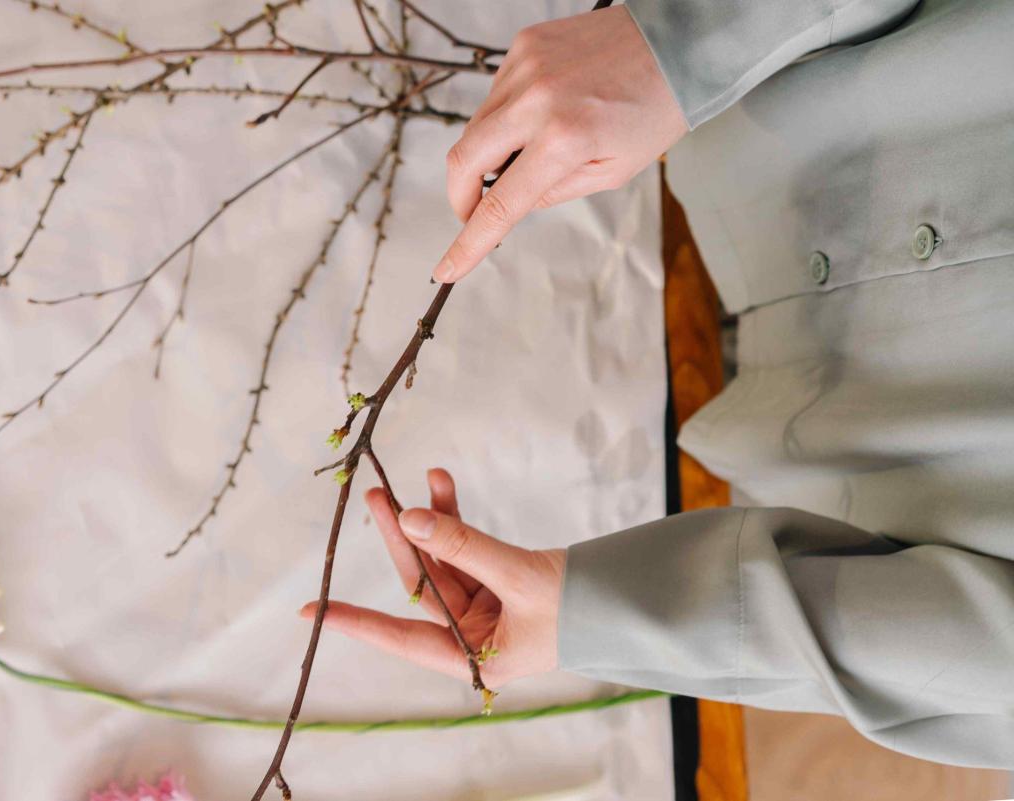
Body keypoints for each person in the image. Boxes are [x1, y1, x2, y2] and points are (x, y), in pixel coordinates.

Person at [302, 0, 1014, 769]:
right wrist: (684, 42)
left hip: (753, 316)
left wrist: (585, 612)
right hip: (770, 93)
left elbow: (958, 653)